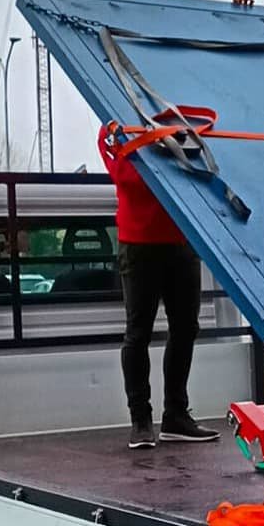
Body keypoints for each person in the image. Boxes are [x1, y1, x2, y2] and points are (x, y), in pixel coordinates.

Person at [100, 140, 219, 449]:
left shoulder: (179, 125)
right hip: (139, 243)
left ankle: (175, 416)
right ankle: (140, 420)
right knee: (138, 332)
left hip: (182, 240)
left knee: (186, 329)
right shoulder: (117, 127)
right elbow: (123, 174)